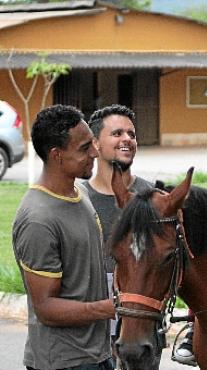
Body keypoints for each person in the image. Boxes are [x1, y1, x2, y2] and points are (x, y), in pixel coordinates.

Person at [12, 104, 115, 370]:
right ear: (57, 155)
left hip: (98, 355)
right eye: (84, 148)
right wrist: (111, 307)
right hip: (63, 362)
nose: (94, 152)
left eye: (92, 143)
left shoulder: (80, 193)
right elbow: (46, 308)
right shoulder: (38, 219)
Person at [83, 104, 154, 366]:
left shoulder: (151, 197)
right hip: (91, 333)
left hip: (142, 334)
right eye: (117, 134)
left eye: (132, 134)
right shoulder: (80, 199)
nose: (127, 139)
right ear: (95, 144)